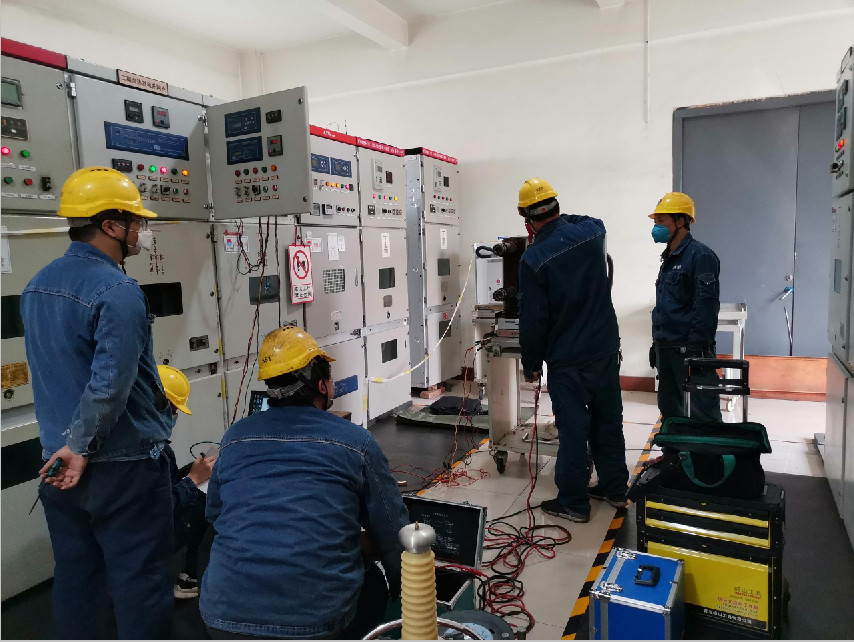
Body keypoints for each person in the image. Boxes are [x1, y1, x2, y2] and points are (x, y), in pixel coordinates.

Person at [20, 167, 174, 639]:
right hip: (120, 466)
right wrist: (83, 446)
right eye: (136, 221)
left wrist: (68, 449)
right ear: (110, 225)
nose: (141, 230)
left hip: (58, 463)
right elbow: (109, 385)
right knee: (140, 579)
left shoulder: (37, 284)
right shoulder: (118, 291)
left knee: (77, 578)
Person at [200, 326, 409, 639]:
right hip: (314, 624)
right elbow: (392, 531)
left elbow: (215, 514)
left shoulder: (234, 438)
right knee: (374, 585)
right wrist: (404, 590)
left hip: (222, 617)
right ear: (322, 386)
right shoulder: (357, 442)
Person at [516, 178, 629, 523]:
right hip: (605, 348)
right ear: (557, 206)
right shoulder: (593, 232)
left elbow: (534, 319)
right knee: (608, 421)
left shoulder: (533, 259)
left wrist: (531, 363)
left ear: (526, 219)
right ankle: (615, 490)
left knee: (574, 430)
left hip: (568, 359)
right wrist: (562, 220)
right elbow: (586, 219)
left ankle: (574, 504)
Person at [650, 192, 722, 423]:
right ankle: (674, 447)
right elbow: (665, 306)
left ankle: (709, 448)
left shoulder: (700, 256)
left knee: (701, 412)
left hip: (688, 349)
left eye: (661, 221)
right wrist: (656, 343)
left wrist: (697, 349)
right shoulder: (669, 258)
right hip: (667, 347)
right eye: (655, 221)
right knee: (671, 410)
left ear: (680, 221)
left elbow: (706, 305)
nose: (656, 227)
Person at [157, 364, 216, 600]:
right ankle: (190, 576)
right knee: (205, 497)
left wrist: (190, 471)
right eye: (173, 409)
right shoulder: (153, 453)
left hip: (126, 541)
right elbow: (160, 506)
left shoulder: (135, 442)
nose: (175, 416)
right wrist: (193, 480)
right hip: (154, 536)